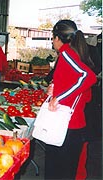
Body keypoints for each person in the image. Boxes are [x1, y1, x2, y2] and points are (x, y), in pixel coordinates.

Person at [45, 19, 97, 179]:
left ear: (58, 38)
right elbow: (78, 86)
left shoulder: (66, 54)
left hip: (67, 126)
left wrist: (58, 98)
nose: (52, 41)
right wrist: (56, 88)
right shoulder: (72, 54)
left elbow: (88, 77)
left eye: (52, 38)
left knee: (58, 173)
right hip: (71, 125)